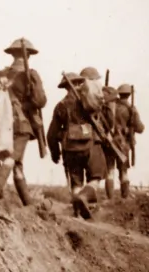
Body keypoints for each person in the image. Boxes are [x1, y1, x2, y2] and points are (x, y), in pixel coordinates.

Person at [0, 38, 47, 206]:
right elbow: (40, 101)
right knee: (12, 159)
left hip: (1, 124)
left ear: (12, 54)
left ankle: (29, 205)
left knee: (16, 164)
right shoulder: (31, 75)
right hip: (21, 124)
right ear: (29, 56)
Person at [49, 67, 108, 219]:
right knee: (95, 178)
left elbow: (52, 134)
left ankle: (77, 214)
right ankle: (84, 198)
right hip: (90, 145)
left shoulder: (60, 106)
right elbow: (104, 123)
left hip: (70, 149)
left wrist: (55, 153)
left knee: (76, 183)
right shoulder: (88, 101)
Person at [111, 83, 145, 198]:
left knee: (110, 169)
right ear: (129, 95)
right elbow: (140, 128)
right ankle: (125, 195)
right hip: (123, 143)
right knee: (123, 170)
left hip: (110, 141)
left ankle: (110, 197)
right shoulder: (131, 109)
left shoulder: (112, 106)